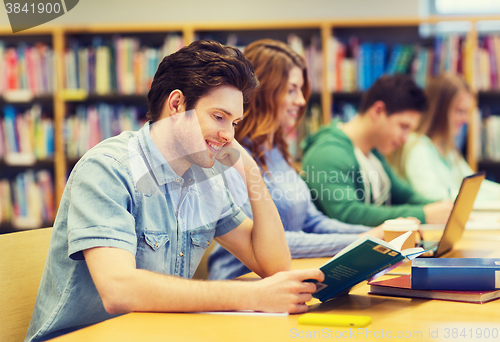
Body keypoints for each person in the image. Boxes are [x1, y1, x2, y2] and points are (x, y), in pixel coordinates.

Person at [25, 40, 324, 342]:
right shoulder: (108, 168)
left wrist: (251, 173)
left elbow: (274, 266)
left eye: (234, 123)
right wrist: (251, 295)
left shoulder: (207, 177)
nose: (229, 135)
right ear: (177, 104)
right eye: (219, 117)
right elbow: (119, 290)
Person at [208, 39, 383, 281]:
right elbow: (266, 241)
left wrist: (375, 234)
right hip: (242, 281)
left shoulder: (278, 151)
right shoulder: (229, 157)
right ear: (264, 90)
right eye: (291, 89)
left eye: (301, 90)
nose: (301, 101)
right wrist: (363, 240)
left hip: (285, 274)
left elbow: (312, 221)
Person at [301, 74, 453, 227]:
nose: (405, 138)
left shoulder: (372, 152)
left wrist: (445, 208)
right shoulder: (328, 153)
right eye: (403, 127)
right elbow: (347, 213)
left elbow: (403, 194)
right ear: (378, 111)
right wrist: (424, 214)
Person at [396, 72, 500, 202]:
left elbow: (475, 183)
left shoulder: (448, 149)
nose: (465, 120)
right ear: (439, 111)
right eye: (460, 111)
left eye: (467, 113)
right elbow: (432, 196)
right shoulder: (418, 147)